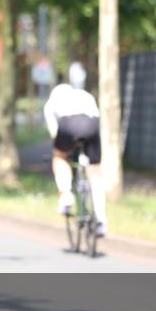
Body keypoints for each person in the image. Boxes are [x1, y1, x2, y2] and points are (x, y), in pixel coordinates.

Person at [43, 62, 107, 237]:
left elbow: (54, 133)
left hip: (68, 123)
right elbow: (97, 117)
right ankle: (101, 219)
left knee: (59, 158)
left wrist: (65, 149)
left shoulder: (51, 104)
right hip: (92, 124)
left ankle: (65, 195)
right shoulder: (85, 95)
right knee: (94, 172)